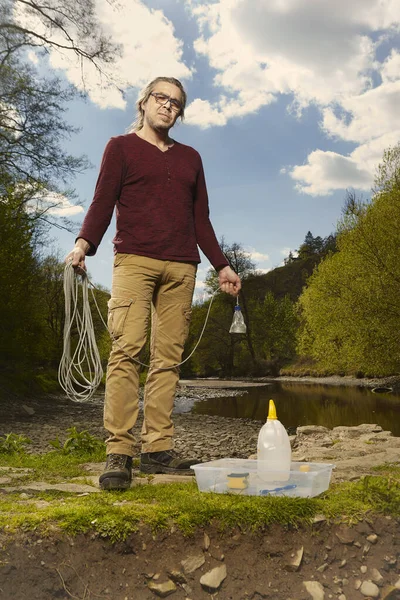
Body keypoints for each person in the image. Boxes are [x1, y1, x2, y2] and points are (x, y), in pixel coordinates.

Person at [65, 76, 241, 491]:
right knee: (126, 351)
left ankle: (157, 449)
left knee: (168, 359)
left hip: (182, 266)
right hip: (134, 260)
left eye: (176, 103)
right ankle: (119, 452)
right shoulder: (120, 147)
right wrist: (82, 245)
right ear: (144, 102)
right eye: (161, 98)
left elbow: (201, 220)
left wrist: (222, 266)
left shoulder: (191, 158)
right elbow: (102, 202)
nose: (168, 107)